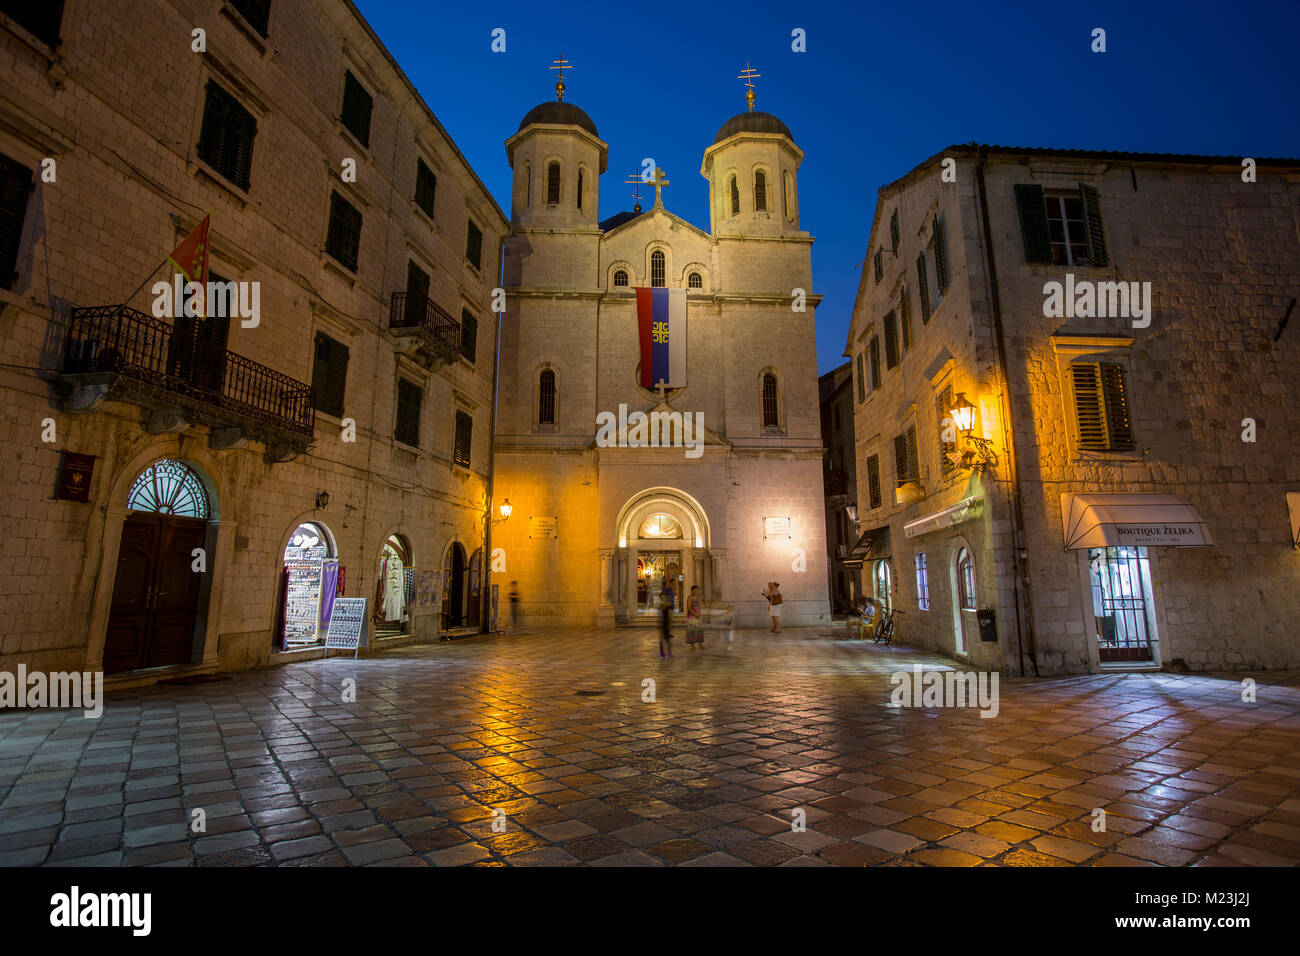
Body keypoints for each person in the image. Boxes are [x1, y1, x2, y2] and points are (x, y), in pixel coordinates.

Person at [659, 580, 675, 660]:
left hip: (666, 623)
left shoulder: (666, 604)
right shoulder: (663, 605)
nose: (664, 598)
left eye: (665, 597)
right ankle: (662, 654)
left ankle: (669, 653)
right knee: (662, 640)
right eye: (663, 597)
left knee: (667, 640)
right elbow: (661, 615)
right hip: (663, 624)